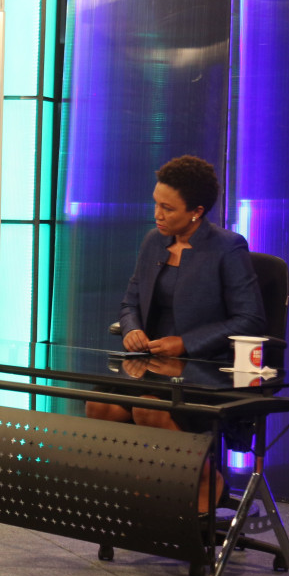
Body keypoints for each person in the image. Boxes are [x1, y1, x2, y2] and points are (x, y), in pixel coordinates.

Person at [85, 155, 267, 512]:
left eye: (167, 208)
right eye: (156, 203)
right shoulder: (154, 241)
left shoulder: (227, 247)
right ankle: (143, 486)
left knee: (149, 410)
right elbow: (130, 303)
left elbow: (251, 319)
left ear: (196, 211)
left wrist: (185, 343)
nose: (158, 214)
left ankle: (206, 477)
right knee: (100, 405)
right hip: (152, 365)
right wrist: (133, 330)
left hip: (203, 369)